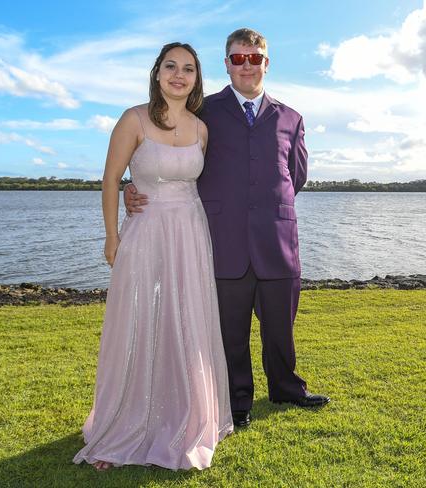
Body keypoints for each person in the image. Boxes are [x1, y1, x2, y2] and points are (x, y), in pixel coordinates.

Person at [125, 29, 329, 429]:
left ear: (266, 63)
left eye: (255, 58)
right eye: (238, 58)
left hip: (277, 239)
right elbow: (169, 155)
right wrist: (135, 185)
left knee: (280, 328)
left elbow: (296, 176)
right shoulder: (204, 111)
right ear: (227, 64)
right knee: (229, 331)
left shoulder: (291, 118)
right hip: (221, 239)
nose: (247, 65)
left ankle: (287, 389)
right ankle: (237, 401)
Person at [73, 42, 233, 472]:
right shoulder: (134, 118)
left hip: (191, 232)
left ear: (197, 78)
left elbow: (204, 183)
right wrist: (111, 236)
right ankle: (123, 422)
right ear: (157, 73)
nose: (179, 75)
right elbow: (110, 180)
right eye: (171, 67)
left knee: (188, 319)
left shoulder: (201, 128)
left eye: (188, 69)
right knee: (140, 319)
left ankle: (188, 415)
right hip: (145, 232)